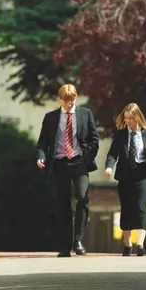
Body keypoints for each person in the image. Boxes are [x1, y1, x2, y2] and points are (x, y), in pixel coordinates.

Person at [36, 84, 100, 257]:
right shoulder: (51, 118)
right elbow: (42, 143)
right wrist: (40, 156)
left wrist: (87, 158)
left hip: (80, 162)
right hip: (60, 163)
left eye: (73, 99)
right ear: (60, 99)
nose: (70, 103)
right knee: (63, 204)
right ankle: (65, 246)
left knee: (82, 197)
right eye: (67, 100)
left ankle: (78, 240)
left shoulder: (85, 114)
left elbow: (94, 139)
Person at [105, 102, 146, 256]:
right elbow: (113, 153)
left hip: (142, 175)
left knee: (140, 208)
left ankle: (139, 245)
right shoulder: (120, 135)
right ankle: (127, 245)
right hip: (125, 176)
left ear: (138, 118)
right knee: (126, 210)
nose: (128, 121)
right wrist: (109, 167)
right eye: (126, 118)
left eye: (131, 119)